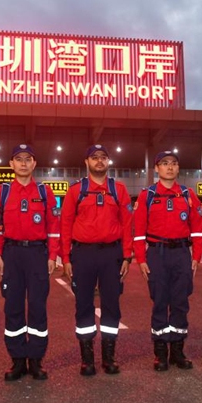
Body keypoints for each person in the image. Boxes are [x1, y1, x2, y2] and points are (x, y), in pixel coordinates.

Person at [60, 144, 133, 376]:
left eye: (103, 157)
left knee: (112, 304)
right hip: (83, 254)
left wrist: (127, 255)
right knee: (83, 304)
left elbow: (127, 224)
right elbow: (65, 225)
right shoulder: (76, 191)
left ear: (108, 162)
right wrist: (66, 258)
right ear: (87, 162)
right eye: (94, 157)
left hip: (112, 254)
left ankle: (109, 358)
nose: (99, 161)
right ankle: (87, 359)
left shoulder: (118, 190)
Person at [0, 144, 60, 381]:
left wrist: (52, 256)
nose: (23, 163)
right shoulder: (3, 191)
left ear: (34, 164)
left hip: (37, 255)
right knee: (13, 308)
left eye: (27, 159)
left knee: (38, 308)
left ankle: (36, 360)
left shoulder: (44, 192)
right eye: (18, 159)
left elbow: (53, 227)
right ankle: (18, 360)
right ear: (11, 164)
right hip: (12, 254)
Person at [133, 150, 202, 371]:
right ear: (156, 168)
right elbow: (139, 232)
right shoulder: (148, 195)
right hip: (157, 253)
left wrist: (197, 256)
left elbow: (198, 229)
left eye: (173, 163)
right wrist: (141, 259)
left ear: (178, 168)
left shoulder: (188, 194)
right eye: (164, 163)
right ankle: (160, 352)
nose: (170, 167)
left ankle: (178, 351)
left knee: (181, 303)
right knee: (160, 302)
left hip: (182, 253)